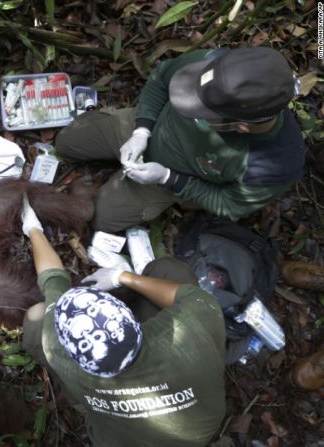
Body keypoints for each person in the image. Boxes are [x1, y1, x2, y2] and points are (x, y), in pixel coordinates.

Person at [19, 196, 227, 446]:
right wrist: (123, 278)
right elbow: (189, 295)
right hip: (203, 427)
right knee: (172, 273)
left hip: (119, 437)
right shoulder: (194, 322)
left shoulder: (65, 361)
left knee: (34, 323)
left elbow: (53, 280)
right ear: (130, 319)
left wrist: (32, 229)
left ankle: (79, 403)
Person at [54, 47, 305, 232]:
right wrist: (142, 130)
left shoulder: (275, 164)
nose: (192, 113)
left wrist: (169, 178)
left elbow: (228, 204)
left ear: (240, 126)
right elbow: (160, 80)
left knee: (98, 219)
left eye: (201, 113)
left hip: (169, 178)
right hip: (143, 128)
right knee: (64, 143)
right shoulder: (214, 66)